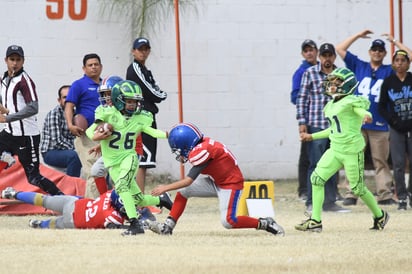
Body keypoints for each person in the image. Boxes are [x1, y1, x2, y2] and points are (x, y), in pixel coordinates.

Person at [145, 123, 285, 236]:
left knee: (229, 221)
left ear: (186, 145)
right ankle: (167, 227)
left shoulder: (202, 151)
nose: (178, 154)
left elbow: (189, 180)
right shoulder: (202, 144)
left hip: (231, 185)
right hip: (217, 181)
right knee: (184, 191)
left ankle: (265, 223)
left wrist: (165, 188)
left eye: (178, 149)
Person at [295, 68, 390, 232]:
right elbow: (333, 130)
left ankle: (380, 215)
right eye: (331, 81)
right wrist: (312, 136)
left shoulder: (352, 101)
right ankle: (315, 221)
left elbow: (361, 111)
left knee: (357, 189)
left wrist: (367, 115)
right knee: (317, 179)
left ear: (347, 85)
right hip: (336, 149)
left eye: (337, 82)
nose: (332, 85)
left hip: (351, 152)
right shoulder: (332, 104)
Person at [86, 80, 172, 236]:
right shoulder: (107, 114)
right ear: (119, 100)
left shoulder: (140, 118)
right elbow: (90, 130)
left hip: (128, 157)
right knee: (137, 199)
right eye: (129, 101)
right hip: (112, 163)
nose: (133, 105)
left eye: (135, 102)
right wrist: (96, 135)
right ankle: (161, 199)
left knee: (122, 187)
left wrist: (168, 134)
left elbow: (152, 132)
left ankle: (135, 224)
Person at [336, 30, 394, 206]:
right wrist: (357, 35)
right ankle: (351, 193)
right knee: (353, 158)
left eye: (380, 50)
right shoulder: (359, 66)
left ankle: (384, 194)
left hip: (380, 123)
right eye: (374, 49)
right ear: (369, 52)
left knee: (380, 160)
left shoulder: (388, 70)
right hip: (357, 123)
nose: (377, 52)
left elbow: (409, 58)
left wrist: (395, 41)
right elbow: (340, 48)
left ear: (384, 53)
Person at [0, 45, 63, 195]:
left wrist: (7, 117)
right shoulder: (4, 79)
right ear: (5, 60)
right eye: (12, 59)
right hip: (10, 133)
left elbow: (33, 108)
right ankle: (7, 159)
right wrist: (5, 111)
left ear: (23, 61)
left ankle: (62, 199)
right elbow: (10, 104)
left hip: (26, 137)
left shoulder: (24, 81)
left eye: (18, 60)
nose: (15, 63)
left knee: (33, 178)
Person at [296, 43, 348, 213]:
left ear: (334, 57)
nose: (327, 58)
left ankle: (330, 201)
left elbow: (346, 100)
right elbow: (302, 98)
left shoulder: (340, 75)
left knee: (333, 165)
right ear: (319, 57)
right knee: (315, 164)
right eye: (324, 55)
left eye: (330, 55)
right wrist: (302, 122)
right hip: (316, 125)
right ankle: (311, 202)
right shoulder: (310, 73)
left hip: (335, 127)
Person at [126, 37, 167, 195]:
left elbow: (152, 88)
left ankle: (139, 199)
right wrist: (162, 95)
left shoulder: (144, 69)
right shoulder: (135, 68)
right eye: (139, 49)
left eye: (145, 49)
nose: (143, 52)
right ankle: (138, 200)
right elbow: (152, 91)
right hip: (140, 116)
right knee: (140, 160)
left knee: (144, 160)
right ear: (133, 51)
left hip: (147, 116)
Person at [378, 49, 412, 210]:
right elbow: (381, 107)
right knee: (398, 164)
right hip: (396, 128)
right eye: (397, 60)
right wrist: (393, 121)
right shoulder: (388, 82)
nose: (400, 63)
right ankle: (402, 197)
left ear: (408, 63)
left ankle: (411, 193)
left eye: (403, 60)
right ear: (393, 64)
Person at [65, 53, 102, 198]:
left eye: (96, 64)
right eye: (90, 65)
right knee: (93, 171)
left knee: (105, 172)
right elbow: (69, 106)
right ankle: (91, 207)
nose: (93, 67)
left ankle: (105, 205)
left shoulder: (106, 85)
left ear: (101, 66)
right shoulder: (78, 84)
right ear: (84, 68)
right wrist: (70, 124)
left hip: (105, 135)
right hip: (87, 136)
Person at [1, 186, 126, 229]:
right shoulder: (112, 216)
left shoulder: (109, 195)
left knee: (44, 200)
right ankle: (39, 224)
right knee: (55, 224)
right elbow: (114, 227)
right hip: (74, 222)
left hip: (73, 204)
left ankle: (13, 194)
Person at [291, 39, 319, 200]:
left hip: (323, 120)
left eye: (311, 50)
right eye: (306, 50)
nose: (309, 53)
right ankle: (303, 189)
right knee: (307, 155)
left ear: (316, 52)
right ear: (303, 54)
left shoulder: (323, 70)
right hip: (308, 119)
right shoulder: (301, 72)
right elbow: (295, 96)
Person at [40, 85, 82, 177]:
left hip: (68, 149)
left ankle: (105, 188)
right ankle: (72, 188)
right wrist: (76, 149)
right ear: (59, 100)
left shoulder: (77, 115)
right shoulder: (54, 114)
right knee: (74, 157)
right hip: (50, 152)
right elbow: (57, 141)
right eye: (65, 97)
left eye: (70, 96)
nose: (68, 99)